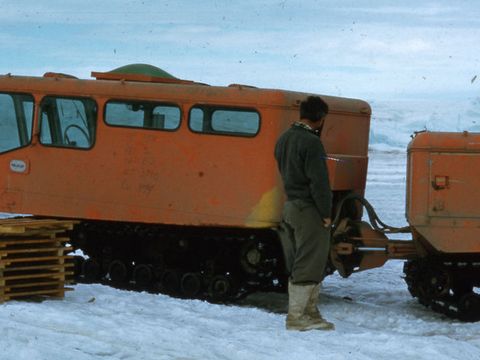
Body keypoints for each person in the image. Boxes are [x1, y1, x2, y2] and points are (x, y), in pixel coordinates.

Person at [274, 95, 334, 331]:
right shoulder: (311, 142)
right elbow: (319, 182)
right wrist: (326, 212)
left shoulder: (284, 138)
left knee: (302, 259)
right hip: (308, 209)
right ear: (320, 117)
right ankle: (297, 317)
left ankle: (309, 313)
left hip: (290, 206)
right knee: (310, 261)